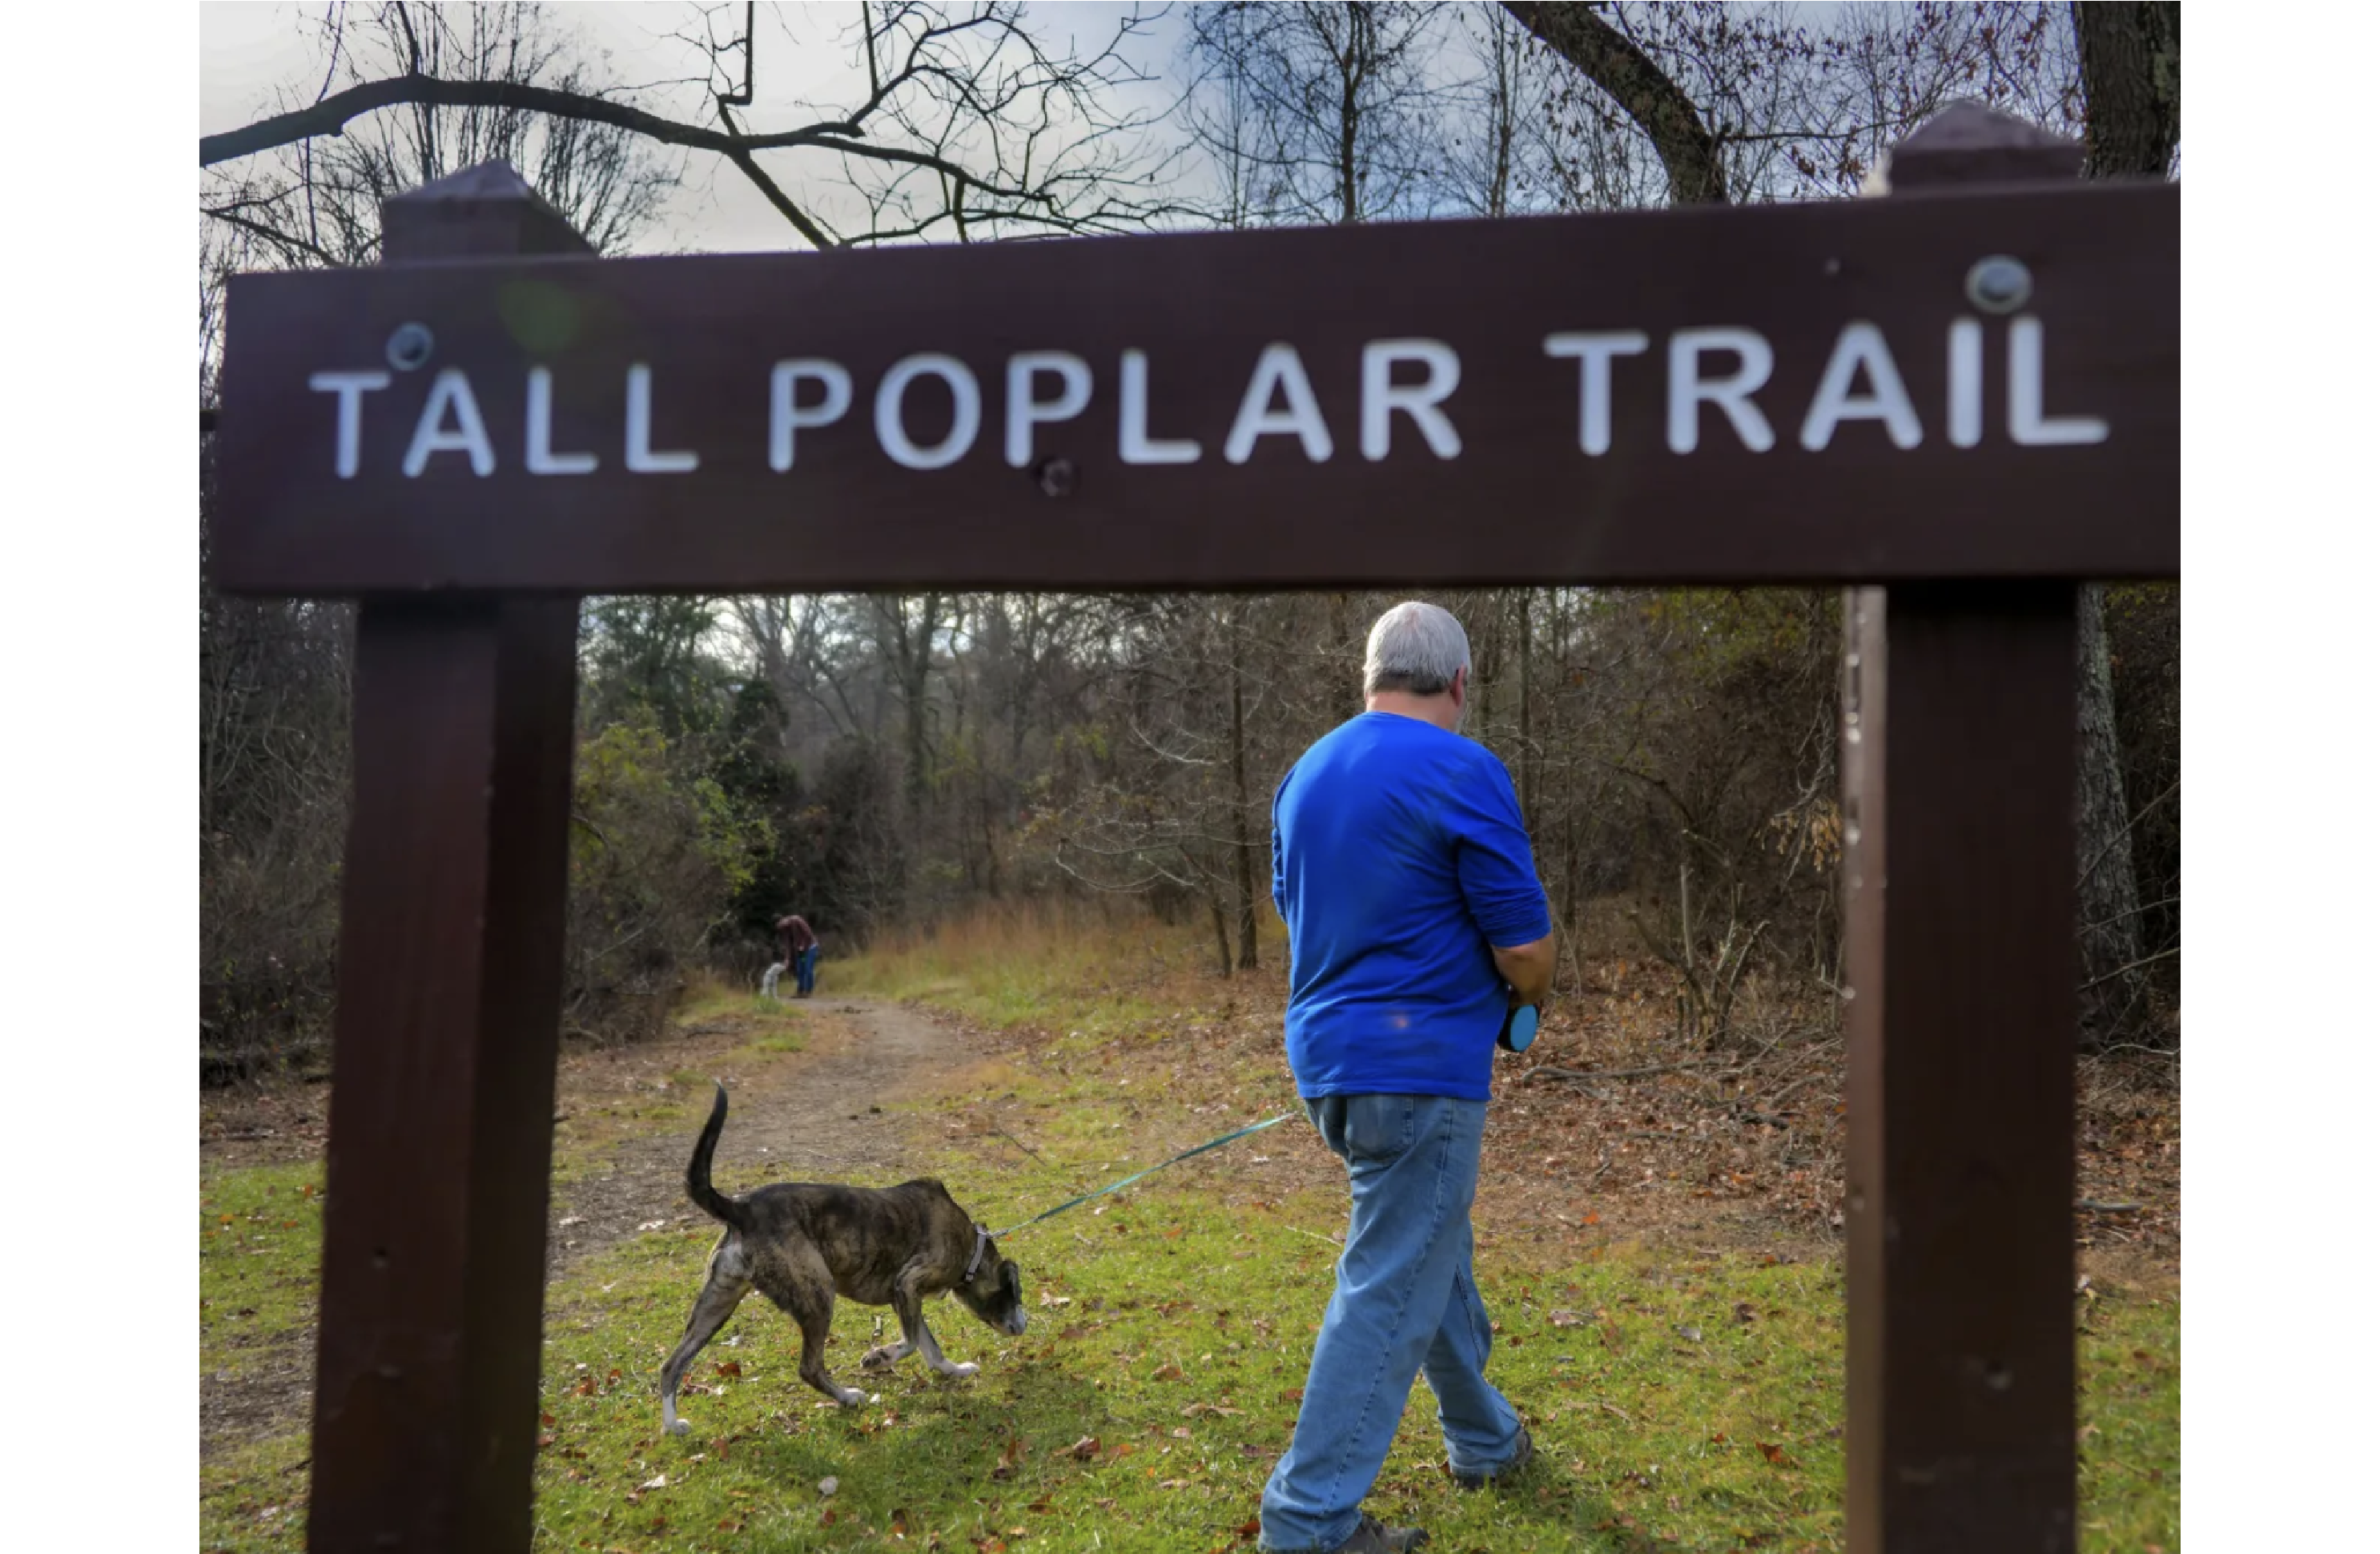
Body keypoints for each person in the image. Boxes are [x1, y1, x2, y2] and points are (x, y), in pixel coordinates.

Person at [1258, 602, 1558, 1554]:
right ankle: (1306, 1520)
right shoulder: (1462, 766)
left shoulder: (1304, 772)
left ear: (1369, 677)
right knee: (1391, 1277)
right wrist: (1525, 1000)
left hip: (1329, 1065)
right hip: (1419, 1070)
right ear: (1459, 684)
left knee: (1428, 1247)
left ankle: (1484, 1438)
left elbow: (1293, 908)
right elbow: (1526, 946)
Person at [763, 912, 820, 1000]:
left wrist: (802, 945)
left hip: (810, 948)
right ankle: (800, 991)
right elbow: (788, 945)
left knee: (808, 969)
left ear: (783, 920)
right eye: (778, 927)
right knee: (800, 969)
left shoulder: (797, 920)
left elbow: (808, 934)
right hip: (801, 952)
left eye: (780, 924)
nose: (780, 927)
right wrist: (787, 958)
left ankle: (808, 991)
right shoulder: (785, 929)